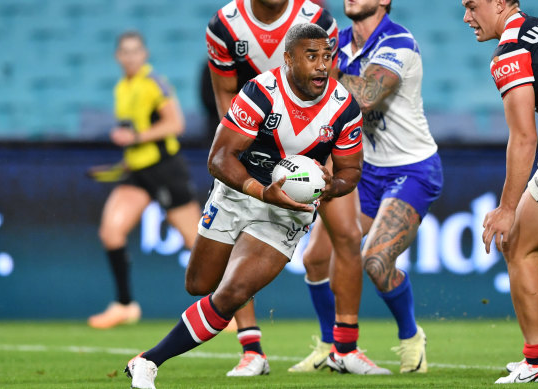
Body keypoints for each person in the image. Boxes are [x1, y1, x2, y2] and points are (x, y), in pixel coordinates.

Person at [124, 23, 364, 388]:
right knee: (198, 284)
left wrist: (331, 189)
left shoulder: (344, 108)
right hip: (237, 193)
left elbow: (351, 170)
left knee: (233, 291)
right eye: (311, 56)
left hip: (288, 212)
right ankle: (239, 343)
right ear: (288, 59)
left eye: (327, 57)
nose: (321, 65)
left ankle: (149, 362)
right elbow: (219, 158)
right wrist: (260, 189)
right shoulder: (261, 93)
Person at [204, 0, 369, 377]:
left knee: (347, 233)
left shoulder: (316, 18)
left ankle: (345, 348)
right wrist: (243, 153)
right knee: (237, 240)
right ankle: (251, 348)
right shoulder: (224, 26)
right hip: (254, 147)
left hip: (313, 147)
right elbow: (225, 96)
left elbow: (328, 84)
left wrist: (325, 160)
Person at [291, 0, 443, 374]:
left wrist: (321, 71)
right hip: (365, 169)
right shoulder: (336, 43)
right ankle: (331, 347)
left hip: (412, 168)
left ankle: (411, 339)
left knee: (375, 260)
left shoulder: (398, 42)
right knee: (314, 259)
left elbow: (367, 95)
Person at [462, 0, 538, 383]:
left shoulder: (511, 51)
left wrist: (506, 208)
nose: (466, 17)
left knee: (515, 241)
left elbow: (522, 138)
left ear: (500, 4)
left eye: (472, 6)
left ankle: (537, 360)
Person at [87, 31, 202, 329]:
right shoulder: (121, 88)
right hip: (137, 171)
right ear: (117, 56)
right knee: (111, 231)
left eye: (135, 51)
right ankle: (125, 305)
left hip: (166, 169)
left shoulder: (154, 83)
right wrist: (125, 158)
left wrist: (135, 137)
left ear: (145, 54)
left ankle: (227, 308)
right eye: (124, 51)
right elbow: (135, 132)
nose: (130, 56)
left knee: (198, 243)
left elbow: (175, 124)